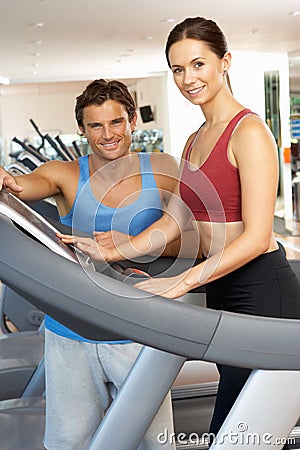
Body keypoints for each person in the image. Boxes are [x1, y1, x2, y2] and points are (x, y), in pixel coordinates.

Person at [60, 19, 300, 448]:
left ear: (224, 62)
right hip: (225, 286)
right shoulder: (193, 141)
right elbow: (175, 220)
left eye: (198, 64)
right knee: (249, 429)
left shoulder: (249, 132)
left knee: (240, 431)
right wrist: (114, 250)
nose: (188, 79)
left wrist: (183, 280)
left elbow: (258, 237)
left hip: (262, 288)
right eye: (177, 69)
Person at [0, 78, 193, 449]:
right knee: (69, 442)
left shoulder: (164, 168)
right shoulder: (65, 174)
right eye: (96, 125)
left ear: (132, 120)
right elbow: (23, 185)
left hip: (141, 330)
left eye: (116, 122)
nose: (108, 134)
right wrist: (6, 179)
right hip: (73, 332)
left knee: (156, 442)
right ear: (82, 128)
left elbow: (195, 226)